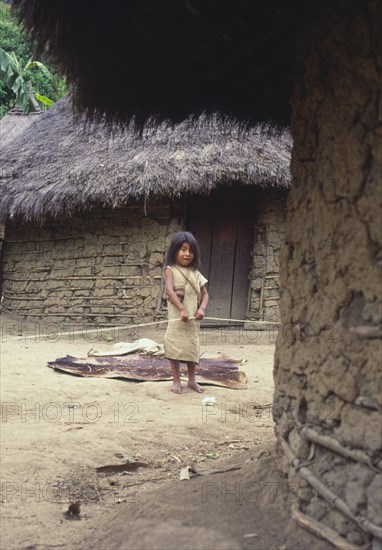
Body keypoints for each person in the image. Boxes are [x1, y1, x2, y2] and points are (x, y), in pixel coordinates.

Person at [163, 231, 209, 394]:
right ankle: (176, 381)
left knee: (191, 349)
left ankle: (191, 380)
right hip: (177, 319)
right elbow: (169, 290)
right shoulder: (171, 270)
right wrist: (181, 309)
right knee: (174, 349)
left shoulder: (196, 273)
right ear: (174, 250)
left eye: (190, 250)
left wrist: (201, 308)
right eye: (183, 249)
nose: (187, 254)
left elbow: (205, 294)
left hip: (191, 321)